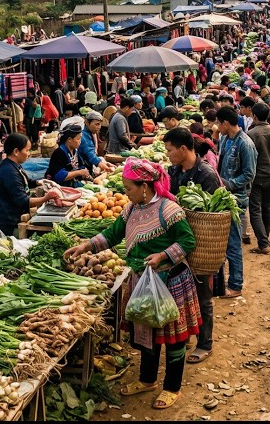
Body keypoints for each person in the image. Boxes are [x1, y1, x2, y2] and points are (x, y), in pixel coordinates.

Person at [64, 159, 199, 410]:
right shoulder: (131, 209)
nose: (126, 192)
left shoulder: (169, 210)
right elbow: (112, 234)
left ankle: (172, 387)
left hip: (171, 281)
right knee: (146, 334)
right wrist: (86, 245)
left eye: (129, 188)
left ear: (145, 186)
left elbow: (187, 241)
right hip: (142, 281)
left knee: (173, 339)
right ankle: (147, 380)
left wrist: (162, 256)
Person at [164, 127, 221, 365]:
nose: (167, 155)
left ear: (183, 149)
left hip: (200, 246)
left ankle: (205, 343)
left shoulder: (205, 174)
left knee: (203, 295)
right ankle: (187, 333)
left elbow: (211, 215)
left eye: (169, 150)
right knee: (182, 295)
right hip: (179, 244)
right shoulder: (175, 171)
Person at [216, 104, 256, 298]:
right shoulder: (224, 139)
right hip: (223, 197)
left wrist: (229, 184)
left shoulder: (245, 143)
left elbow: (249, 174)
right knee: (224, 243)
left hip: (237, 198)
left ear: (225, 123)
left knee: (233, 243)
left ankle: (235, 285)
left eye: (218, 122)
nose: (217, 126)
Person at [0, 134, 61, 236]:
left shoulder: (14, 165)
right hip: (7, 225)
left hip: (13, 218)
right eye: (27, 150)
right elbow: (23, 201)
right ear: (16, 152)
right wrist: (46, 198)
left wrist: (39, 182)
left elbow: (25, 181)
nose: (29, 154)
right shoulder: (9, 172)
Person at [246, 102, 270, 255]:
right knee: (267, 208)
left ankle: (263, 242)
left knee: (255, 210)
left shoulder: (250, 135)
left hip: (256, 177)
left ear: (254, 116)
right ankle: (265, 239)